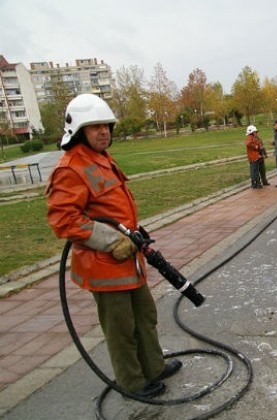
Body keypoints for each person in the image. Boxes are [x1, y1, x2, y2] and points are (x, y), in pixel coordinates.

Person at [46, 94, 181, 398]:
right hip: (105, 266)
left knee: (145, 316)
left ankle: (154, 367)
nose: (103, 131)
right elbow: (64, 221)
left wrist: (134, 231)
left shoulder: (101, 158)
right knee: (121, 328)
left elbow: (110, 208)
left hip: (128, 261)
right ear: (79, 131)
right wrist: (113, 240)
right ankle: (132, 383)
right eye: (95, 127)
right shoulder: (70, 168)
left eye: (106, 125)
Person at [245, 125, 263, 189]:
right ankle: (255, 183)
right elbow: (248, 144)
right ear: (252, 132)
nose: (256, 133)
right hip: (253, 157)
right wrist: (256, 146)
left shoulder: (253, 137)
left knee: (255, 170)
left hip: (255, 156)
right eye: (255, 132)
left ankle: (257, 183)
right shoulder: (249, 137)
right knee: (254, 171)